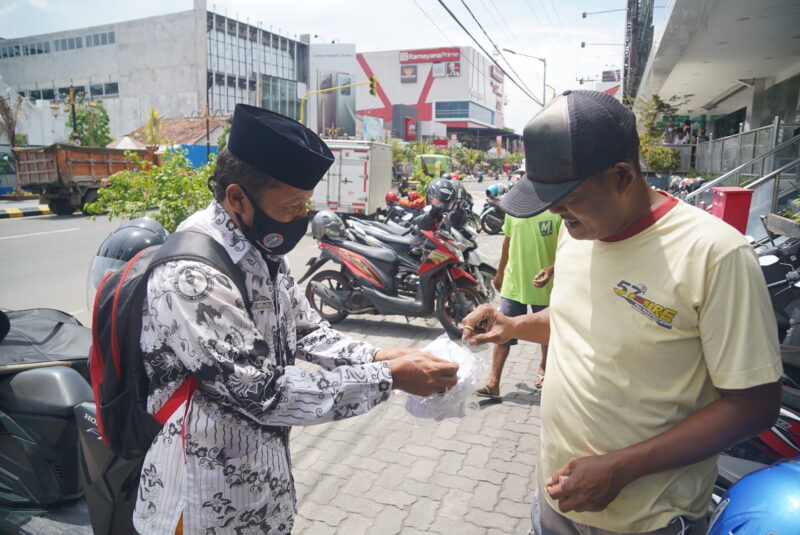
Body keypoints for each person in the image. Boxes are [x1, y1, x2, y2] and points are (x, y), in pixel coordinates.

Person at [461, 90, 782, 534]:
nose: (554, 210)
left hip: (648, 521)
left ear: (622, 176)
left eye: (567, 195)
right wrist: (514, 324)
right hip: (556, 504)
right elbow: (579, 319)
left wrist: (621, 468)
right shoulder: (576, 231)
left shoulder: (714, 253)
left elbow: (755, 404)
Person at [132, 104, 459, 535]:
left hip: (259, 487)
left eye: (306, 204)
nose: (301, 218)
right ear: (237, 198)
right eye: (292, 205)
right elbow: (262, 391)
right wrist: (388, 377)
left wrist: (380, 354)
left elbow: (305, 330)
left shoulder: (260, 248)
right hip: (199, 498)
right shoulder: (192, 277)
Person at [475, 208, 560, 398]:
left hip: (544, 283)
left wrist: (552, 269)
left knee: (546, 334)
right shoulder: (515, 209)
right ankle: (493, 383)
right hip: (514, 283)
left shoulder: (556, 209)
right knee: (500, 331)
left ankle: (544, 368)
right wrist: (500, 272)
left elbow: (567, 248)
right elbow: (508, 240)